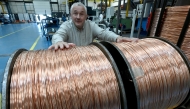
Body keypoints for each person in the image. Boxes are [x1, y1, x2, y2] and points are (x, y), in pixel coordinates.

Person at [48, 2, 138, 50]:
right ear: (71, 15)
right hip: (71, 62)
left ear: (86, 16)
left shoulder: (91, 25)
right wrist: (58, 42)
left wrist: (117, 38)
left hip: (88, 60)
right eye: (75, 14)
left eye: (81, 14)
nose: (78, 17)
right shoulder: (66, 26)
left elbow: (103, 33)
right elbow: (58, 35)